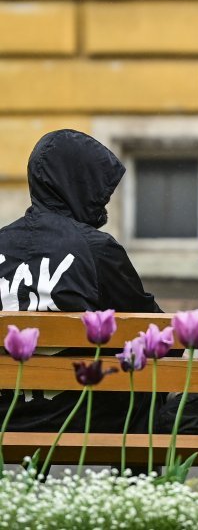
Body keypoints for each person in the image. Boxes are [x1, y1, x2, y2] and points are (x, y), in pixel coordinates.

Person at [0, 129, 160, 433]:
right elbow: (158, 335)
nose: (104, 205)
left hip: (5, 414)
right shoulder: (96, 250)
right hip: (86, 416)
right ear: (80, 187)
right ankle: (135, 483)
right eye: (100, 193)